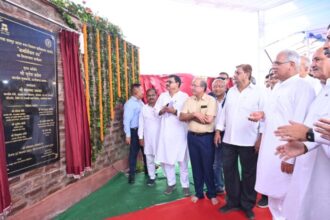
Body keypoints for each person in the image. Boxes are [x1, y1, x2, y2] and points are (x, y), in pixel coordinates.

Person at [252, 50, 315, 220]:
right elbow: (277, 114)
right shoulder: (278, 86)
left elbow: (300, 124)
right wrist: (263, 115)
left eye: (277, 64)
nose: (273, 68)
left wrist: (290, 158)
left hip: (286, 153)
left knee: (289, 197)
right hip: (271, 149)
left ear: (292, 65)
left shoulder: (303, 88)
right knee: (274, 196)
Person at [274, 47, 330, 220]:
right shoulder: (324, 90)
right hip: (311, 165)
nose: (313, 64)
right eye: (313, 60)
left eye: (319, 59)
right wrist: (304, 147)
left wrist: (308, 135)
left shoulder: (308, 88)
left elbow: (316, 131)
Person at [215, 64, 263, 220]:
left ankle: (247, 205)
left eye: (237, 72)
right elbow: (224, 113)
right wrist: (218, 130)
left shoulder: (259, 92)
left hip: (249, 140)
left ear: (247, 74)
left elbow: (265, 116)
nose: (234, 75)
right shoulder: (231, 92)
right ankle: (233, 202)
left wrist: (260, 138)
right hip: (229, 139)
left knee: (249, 173)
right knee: (229, 171)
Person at [180, 77, 218, 205]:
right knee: (195, 166)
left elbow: (208, 120)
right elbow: (181, 117)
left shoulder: (211, 100)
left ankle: (212, 194)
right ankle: (199, 193)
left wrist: (189, 116)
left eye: (195, 85)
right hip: (192, 137)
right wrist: (195, 114)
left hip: (206, 138)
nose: (192, 87)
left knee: (207, 166)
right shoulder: (188, 100)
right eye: (192, 85)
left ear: (203, 88)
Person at [155, 75, 190, 196]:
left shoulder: (185, 97)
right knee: (167, 160)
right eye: (167, 82)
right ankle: (171, 183)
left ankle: (185, 185)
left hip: (180, 133)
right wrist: (162, 110)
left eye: (170, 82)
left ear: (178, 84)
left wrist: (175, 111)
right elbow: (156, 110)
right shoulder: (162, 96)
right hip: (166, 133)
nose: (167, 83)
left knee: (182, 161)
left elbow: (188, 114)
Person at [123, 83, 148, 184]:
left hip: (142, 131)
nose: (143, 92)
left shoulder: (140, 102)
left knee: (145, 152)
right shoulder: (129, 104)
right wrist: (128, 135)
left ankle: (148, 172)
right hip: (134, 132)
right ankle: (132, 176)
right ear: (135, 91)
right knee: (133, 154)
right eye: (141, 90)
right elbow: (126, 121)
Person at [138, 88, 160, 186]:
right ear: (146, 97)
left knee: (164, 159)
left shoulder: (161, 108)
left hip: (160, 138)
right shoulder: (144, 108)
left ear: (156, 96)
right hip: (148, 138)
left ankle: (169, 178)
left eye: (153, 95)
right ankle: (152, 177)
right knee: (149, 158)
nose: (151, 97)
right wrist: (140, 137)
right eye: (149, 95)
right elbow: (141, 124)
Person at [211, 79, 226, 195]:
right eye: (215, 86)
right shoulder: (210, 100)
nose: (217, 88)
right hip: (212, 132)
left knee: (221, 162)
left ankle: (223, 185)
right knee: (215, 162)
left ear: (225, 87)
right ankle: (219, 185)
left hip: (226, 133)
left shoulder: (230, 99)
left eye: (220, 86)